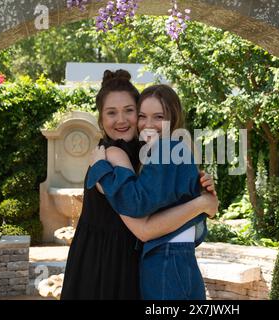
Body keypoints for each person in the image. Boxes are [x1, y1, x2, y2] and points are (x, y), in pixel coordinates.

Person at [60, 71, 217, 300]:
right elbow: (144, 228)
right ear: (101, 119)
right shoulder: (114, 154)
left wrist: (202, 192)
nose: (121, 120)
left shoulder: (151, 154)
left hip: (139, 260)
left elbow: (174, 198)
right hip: (106, 265)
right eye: (111, 113)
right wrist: (202, 204)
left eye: (130, 111)